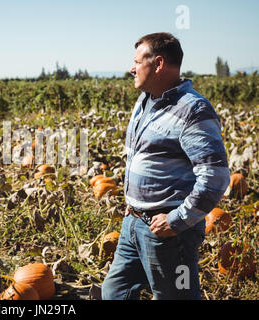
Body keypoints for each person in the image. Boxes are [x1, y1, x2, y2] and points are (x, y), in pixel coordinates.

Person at [101, 32, 230, 300]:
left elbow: (215, 177)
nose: (131, 68)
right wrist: (134, 201)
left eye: (137, 61)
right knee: (115, 292)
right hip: (133, 223)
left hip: (169, 233)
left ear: (158, 64)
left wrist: (176, 220)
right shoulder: (146, 100)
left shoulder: (193, 110)